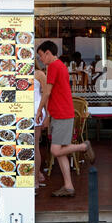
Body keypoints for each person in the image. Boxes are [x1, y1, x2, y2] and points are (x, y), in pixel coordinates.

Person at [36, 40, 95, 197]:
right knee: (61, 151)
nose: (40, 59)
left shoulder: (54, 66)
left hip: (62, 113)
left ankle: (83, 147)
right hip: (60, 112)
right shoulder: (58, 66)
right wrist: (48, 115)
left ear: (48, 53)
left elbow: (47, 92)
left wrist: (39, 111)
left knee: (55, 150)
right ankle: (68, 186)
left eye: (41, 55)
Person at [34, 62, 48, 190]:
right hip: (19, 111)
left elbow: (46, 94)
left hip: (36, 110)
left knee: (34, 145)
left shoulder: (39, 74)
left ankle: (35, 180)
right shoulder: (14, 74)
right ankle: (34, 174)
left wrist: (47, 115)